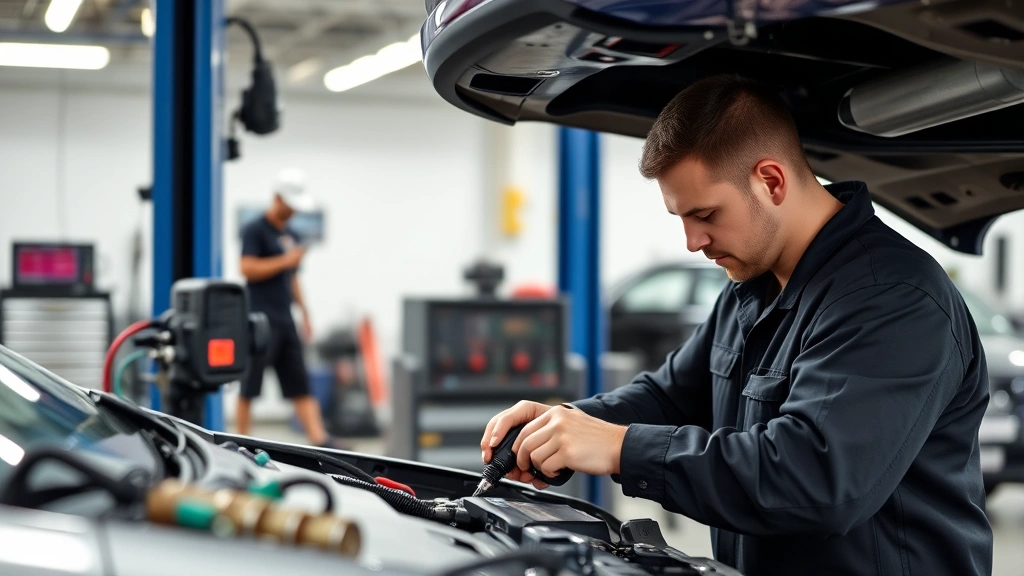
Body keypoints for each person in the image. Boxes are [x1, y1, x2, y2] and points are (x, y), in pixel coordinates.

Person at [481, 76, 993, 575]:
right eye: (681, 218)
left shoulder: (892, 298)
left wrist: (618, 447)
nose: (692, 241)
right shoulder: (753, 286)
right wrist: (564, 425)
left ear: (770, 181)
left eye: (705, 214)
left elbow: (816, 480)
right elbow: (670, 395)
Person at [237, 168, 341, 449]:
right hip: (259, 320)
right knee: (249, 387)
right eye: (290, 205)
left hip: (285, 319)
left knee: (299, 382)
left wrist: (305, 313)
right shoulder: (255, 230)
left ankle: (320, 440)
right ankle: (240, 441)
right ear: (277, 198)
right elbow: (247, 268)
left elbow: (293, 277)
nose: (293, 212)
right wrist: (285, 260)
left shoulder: (292, 234)